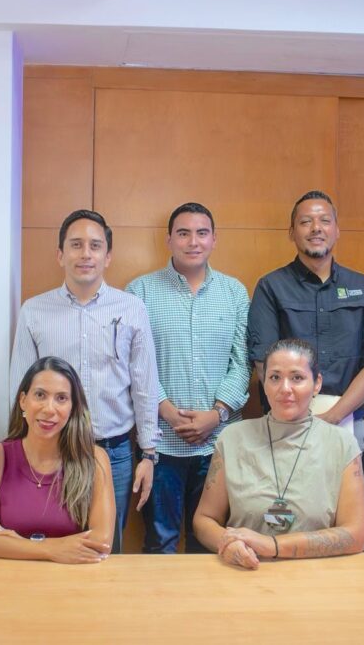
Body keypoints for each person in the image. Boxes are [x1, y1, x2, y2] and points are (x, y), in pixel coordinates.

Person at [9, 209, 160, 552]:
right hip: (50, 451)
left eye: (95, 245)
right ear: (60, 254)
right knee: (49, 542)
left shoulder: (132, 308)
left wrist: (149, 454)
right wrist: (20, 450)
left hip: (113, 453)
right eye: (76, 245)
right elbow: (20, 388)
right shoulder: (34, 310)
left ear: (108, 256)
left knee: (106, 549)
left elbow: (144, 385)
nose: (85, 254)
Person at [126, 202, 251, 553]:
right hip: (161, 443)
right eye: (183, 233)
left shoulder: (234, 292)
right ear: (169, 240)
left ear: (214, 239)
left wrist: (217, 414)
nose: (193, 242)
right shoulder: (140, 292)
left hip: (219, 442)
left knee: (210, 543)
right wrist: (165, 409)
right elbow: (135, 363)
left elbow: (242, 362)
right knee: (160, 542)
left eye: (201, 233)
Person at [194, 339, 364, 569]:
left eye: (297, 378)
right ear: (264, 383)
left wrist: (273, 545)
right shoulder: (232, 438)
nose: (285, 389)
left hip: (317, 575)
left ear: (316, 384)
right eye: (275, 377)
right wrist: (227, 543)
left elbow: (356, 534)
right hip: (246, 570)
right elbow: (204, 520)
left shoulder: (341, 444)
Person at [247, 190, 364, 449]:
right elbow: (264, 362)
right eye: (305, 222)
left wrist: (334, 416)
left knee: (348, 479)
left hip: (347, 420)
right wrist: (297, 415)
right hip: (287, 422)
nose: (316, 228)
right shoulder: (271, 287)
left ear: (337, 230)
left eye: (325, 220)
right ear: (291, 232)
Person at [0, 357, 115, 563]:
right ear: (23, 400)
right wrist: (50, 549)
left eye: (61, 398)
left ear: (72, 407)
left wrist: (15, 542)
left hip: (72, 576)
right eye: (40, 395)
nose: (49, 409)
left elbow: (101, 542)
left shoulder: (95, 458)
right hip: (8, 577)